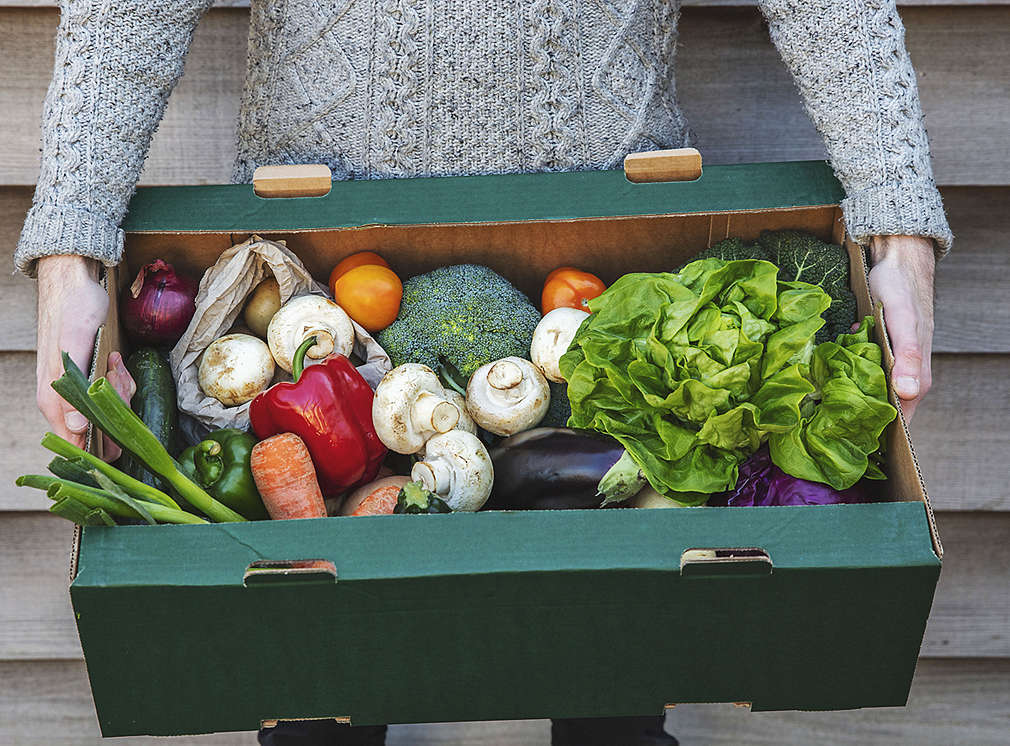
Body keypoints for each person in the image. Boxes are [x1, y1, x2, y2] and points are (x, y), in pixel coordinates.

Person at [18, 1, 950, 744]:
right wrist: (73, 250)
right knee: (310, 679)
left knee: (619, 667)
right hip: (323, 262)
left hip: (606, 275)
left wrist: (897, 223)